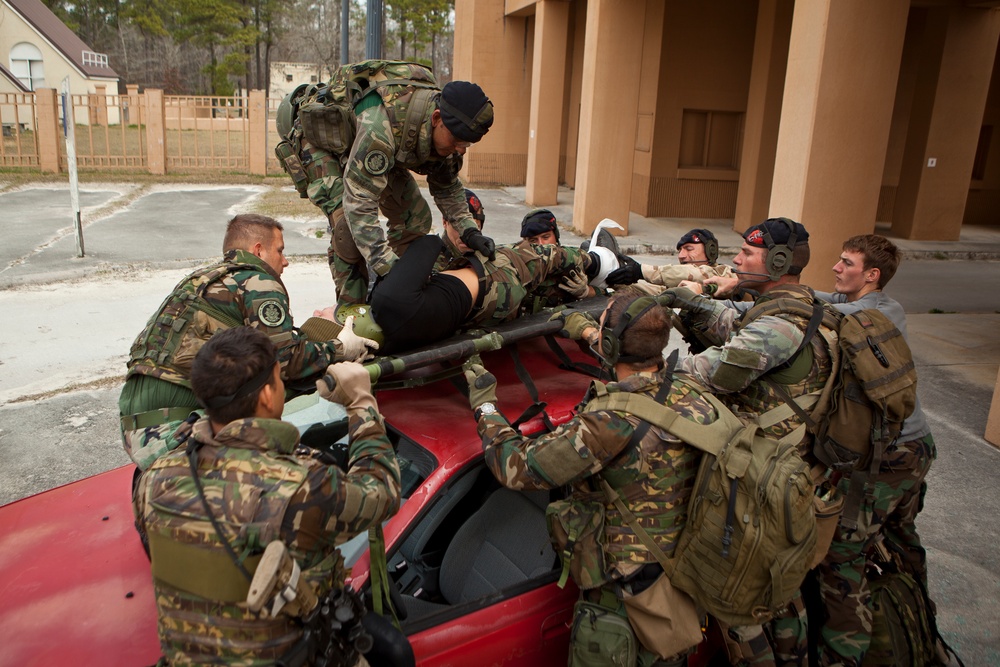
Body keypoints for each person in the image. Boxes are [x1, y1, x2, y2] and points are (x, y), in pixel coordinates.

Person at [461, 286, 717, 667]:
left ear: (612, 346)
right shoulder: (692, 392)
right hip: (677, 595)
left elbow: (516, 467)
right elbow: (633, 361)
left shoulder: (608, 425)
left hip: (620, 614)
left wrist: (485, 407)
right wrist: (579, 327)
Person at [132, 326, 403, 666]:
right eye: (279, 379)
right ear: (265, 396)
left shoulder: (155, 477)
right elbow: (382, 492)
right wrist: (362, 402)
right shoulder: (302, 485)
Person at [663, 217, 834, 667]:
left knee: (739, 593)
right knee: (779, 587)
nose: (736, 259)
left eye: (748, 254)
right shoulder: (794, 306)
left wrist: (645, 370)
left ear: (778, 262)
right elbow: (734, 324)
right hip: (780, 474)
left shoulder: (782, 325)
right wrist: (688, 303)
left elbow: (720, 368)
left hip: (765, 483)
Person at [120, 213, 378, 470]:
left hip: (137, 423)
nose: (285, 261)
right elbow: (286, 362)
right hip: (173, 429)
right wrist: (341, 348)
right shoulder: (258, 281)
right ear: (258, 251)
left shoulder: (205, 278)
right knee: (275, 384)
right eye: (280, 250)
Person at [810, 235, 936, 667]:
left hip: (892, 458)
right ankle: (921, 626)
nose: (835, 267)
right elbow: (817, 296)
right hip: (914, 449)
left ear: (872, 275)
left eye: (846, 262)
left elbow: (817, 312)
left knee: (842, 553)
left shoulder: (874, 314)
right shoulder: (873, 305)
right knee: (901, 538)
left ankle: (844, 655)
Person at [283, 61, 497, 305]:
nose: (461, 150)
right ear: (436, 118)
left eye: (467, 144)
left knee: (415, 219)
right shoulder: (380, 129)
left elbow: (448, 188)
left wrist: (469, 230)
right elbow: (360, 204)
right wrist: (389, 268)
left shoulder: (448, 134)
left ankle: (400, 294)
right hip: (320, 141)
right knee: (348, 232)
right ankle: (352, 310)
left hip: (370, 146)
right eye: (458, 141)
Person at [367, 233, 611, 353]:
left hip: (488, 312)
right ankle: (600, 262)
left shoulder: (392, 344)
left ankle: (596, 286)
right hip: (494, 276)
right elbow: (428, 243)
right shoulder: (388, 299)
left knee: (548, 291)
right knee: (548, 256)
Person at [517, 208, 608, 313]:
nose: (541, 244)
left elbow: (610, 299)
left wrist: (587, 292)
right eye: (533, 240)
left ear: (556, 237)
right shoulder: (520, 266)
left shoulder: (574, 262)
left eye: (546, 237)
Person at [607, 228, 735, 291]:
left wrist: (641, 270)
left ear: (710, 251)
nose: (681, 256)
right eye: (680, 251)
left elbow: (698, 274)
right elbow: (655, 290)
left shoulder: (725, 273)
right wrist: (612, 278)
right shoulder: (679, 281)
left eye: (689, 249)